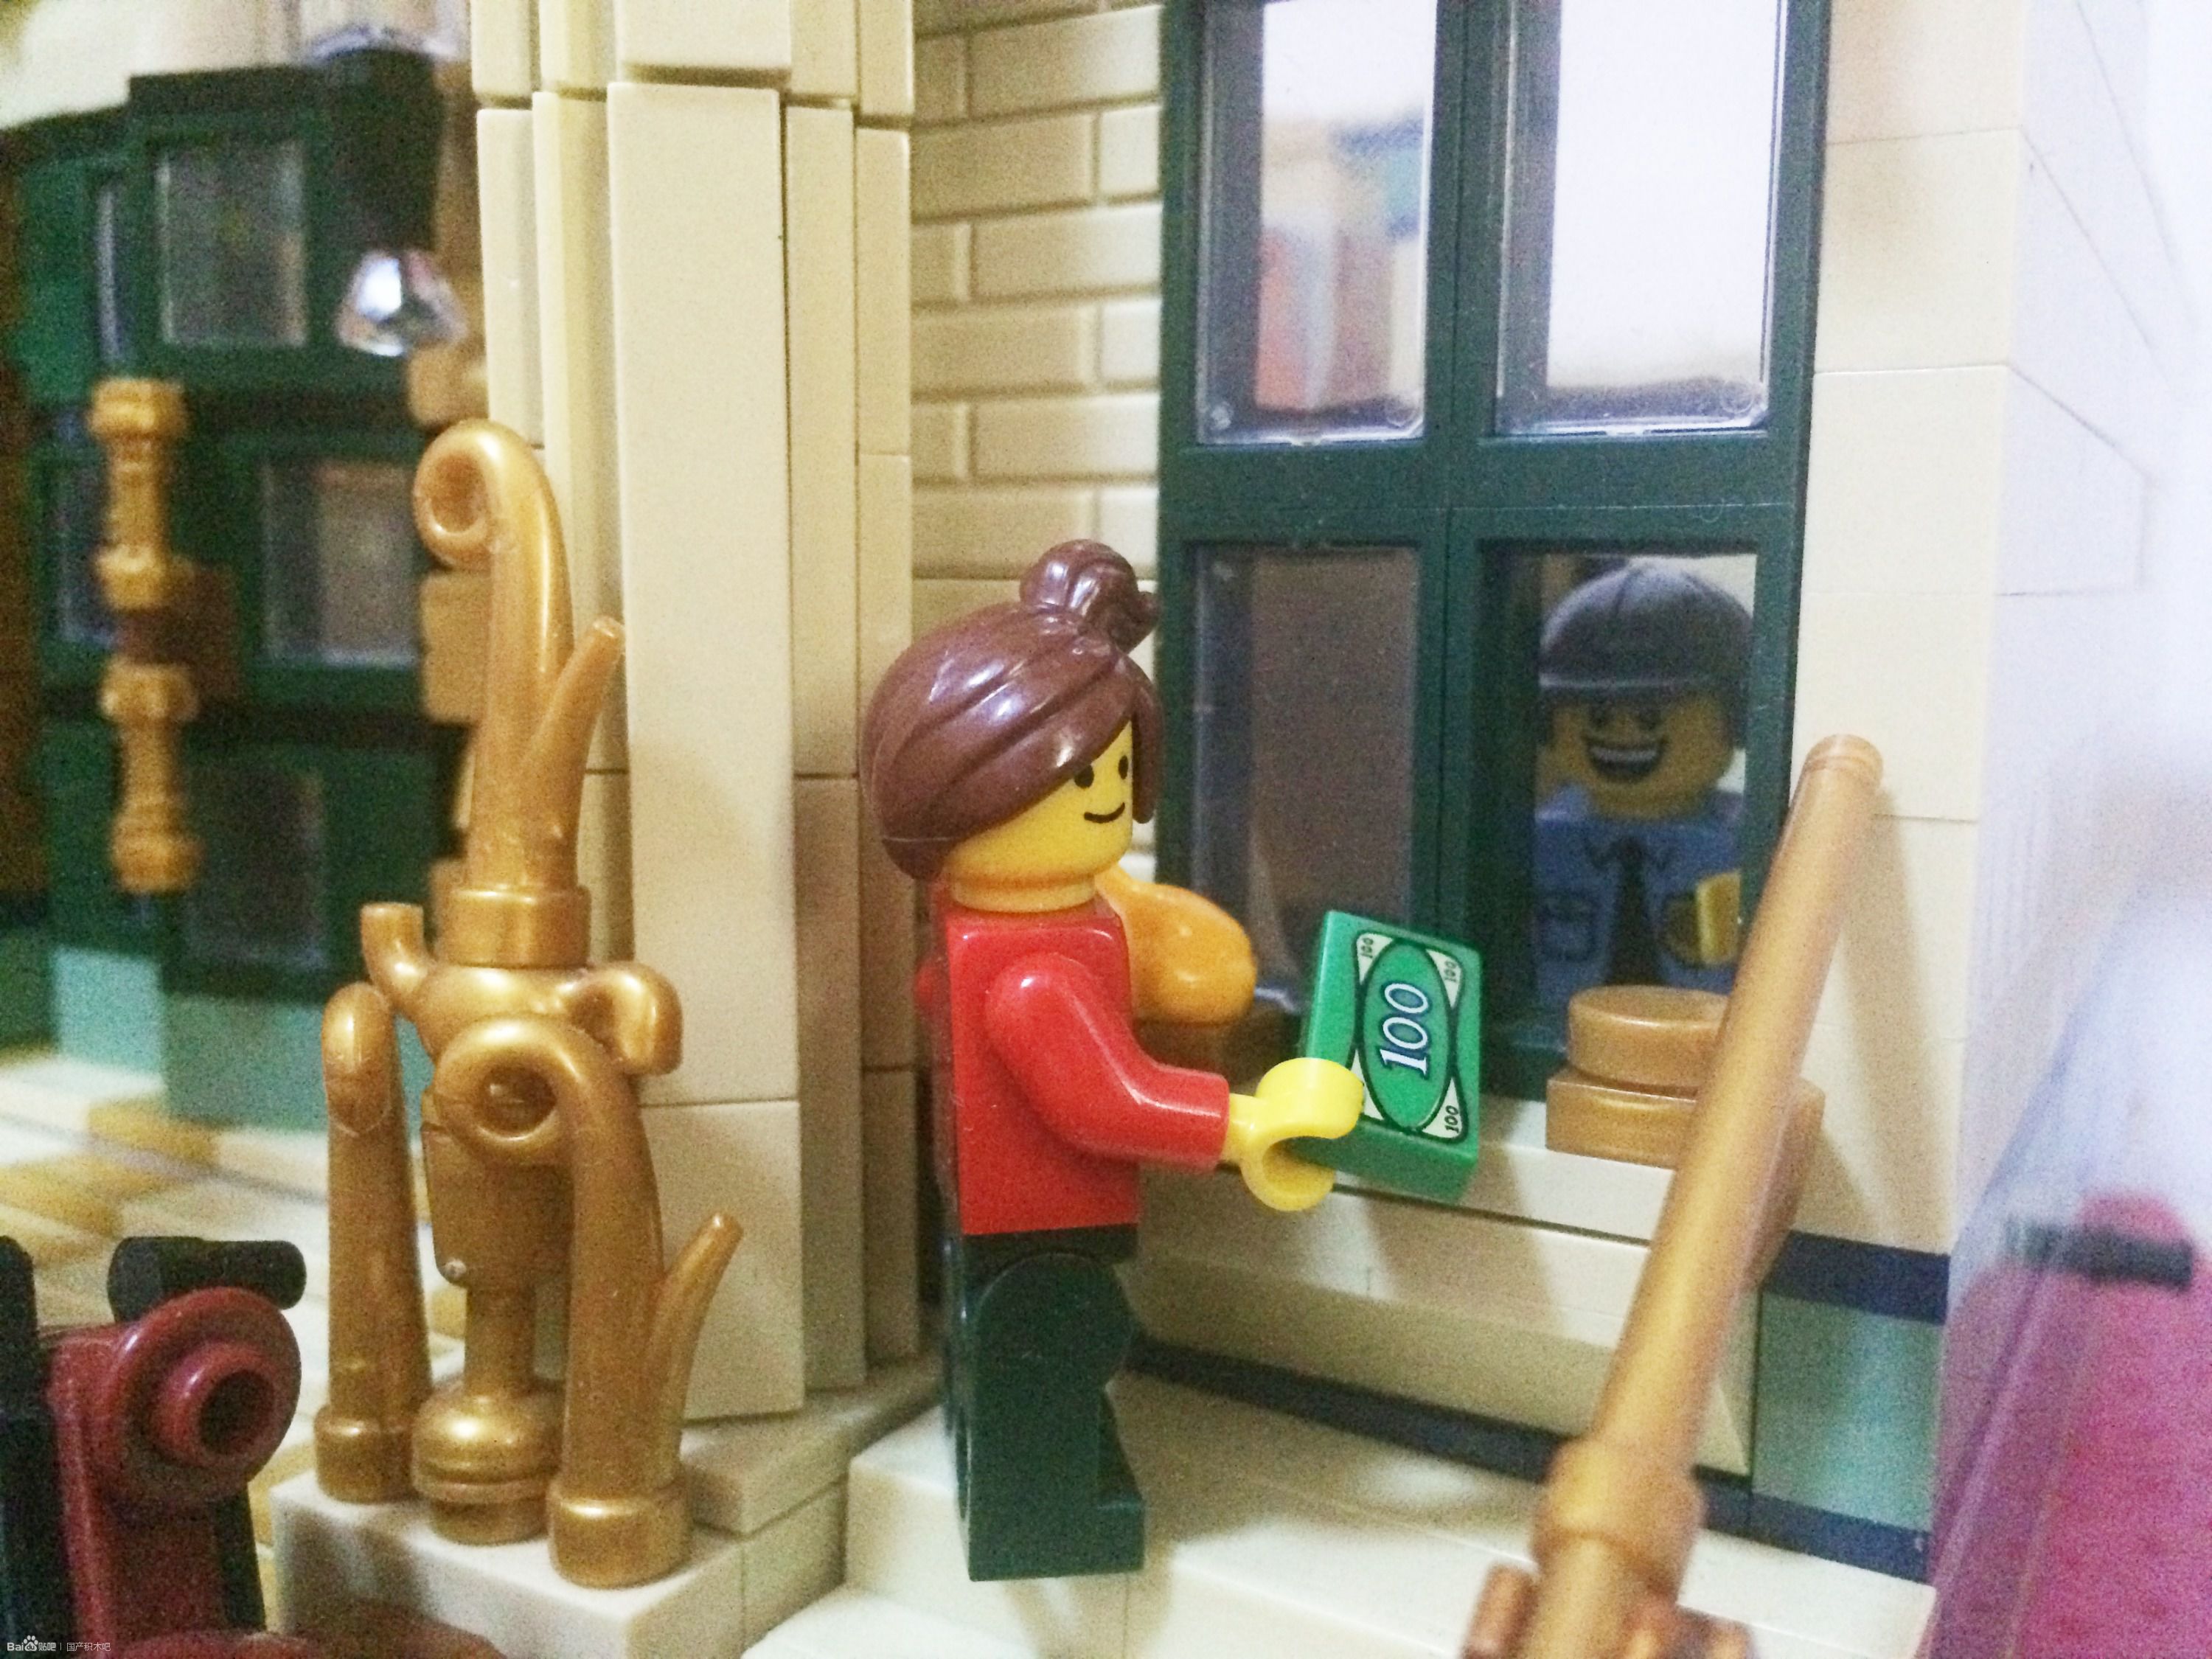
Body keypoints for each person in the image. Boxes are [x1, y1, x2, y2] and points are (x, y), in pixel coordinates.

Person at [862, 540, 1360, 1582]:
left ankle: (1008, 1467)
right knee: (1059, 1339)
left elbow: (933, 998)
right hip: (1042, 1208)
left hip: (981, 1191)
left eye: (1114, 768)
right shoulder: (1034, 972)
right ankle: (1051, 1516)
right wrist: (1248, 1126)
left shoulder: (980, 917)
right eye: (1079, 773)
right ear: (959, 801)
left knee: (1000, 1345)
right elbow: (1105, 1103)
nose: (1105, 795)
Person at [1532, 560, 1753, 1017]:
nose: (1623, 735)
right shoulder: (1543, 839)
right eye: (1598, 716)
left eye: (1651, 717)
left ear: (1736, 720)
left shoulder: (1741, 841)